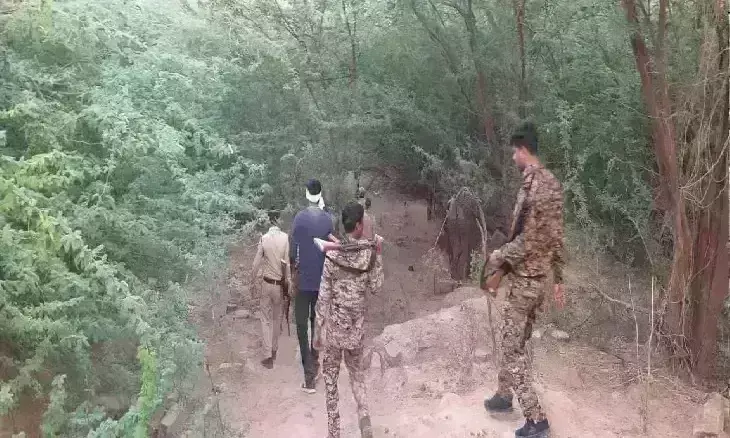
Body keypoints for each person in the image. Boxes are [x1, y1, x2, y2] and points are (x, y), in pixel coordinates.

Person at [482, 121, 564, 438]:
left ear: (523, 150)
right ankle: (504, 396)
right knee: (517, 338)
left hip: (526, 279)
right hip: (538, 278)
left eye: (514, 152)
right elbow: (557, 237)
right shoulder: (551, 183)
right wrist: (558, 277)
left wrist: (498, 256)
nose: (513, 157)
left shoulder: (535, 187)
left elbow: (529, 240)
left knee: (511, 346)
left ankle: (536, 419)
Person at [313, 202, 383, 438]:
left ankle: (334, 431)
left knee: (330, 379)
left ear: (345, 225)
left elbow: (323, 297)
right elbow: (377, 287)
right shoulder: (368, 255)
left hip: (334, 333)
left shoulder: (332, 255)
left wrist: (318, 331)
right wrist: (378, 254)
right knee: (357, 375)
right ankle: (365, 420)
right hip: (356, 333)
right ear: (360, 225)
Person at [290, 179, 339, 393]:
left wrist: (293, 270)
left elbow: (293, 250)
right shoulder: (328, 220)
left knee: (301, 326)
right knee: (317, 323)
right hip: (322, 281)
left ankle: (309, 375)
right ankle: (316, 361)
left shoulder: (299, 218)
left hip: (303, 281)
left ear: (306, 193)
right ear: (320, 194)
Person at [250, 211, 290, 369]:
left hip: (266, 284)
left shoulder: (264, 239)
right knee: (276, 319)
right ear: (278, 220)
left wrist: (252, 281)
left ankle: (267, 356)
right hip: (279, 285)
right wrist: (287, 283)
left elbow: (256, 264)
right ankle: (274, 349)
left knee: (265, 319)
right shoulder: (286, 238)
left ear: (269, 221)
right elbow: (287, 263)